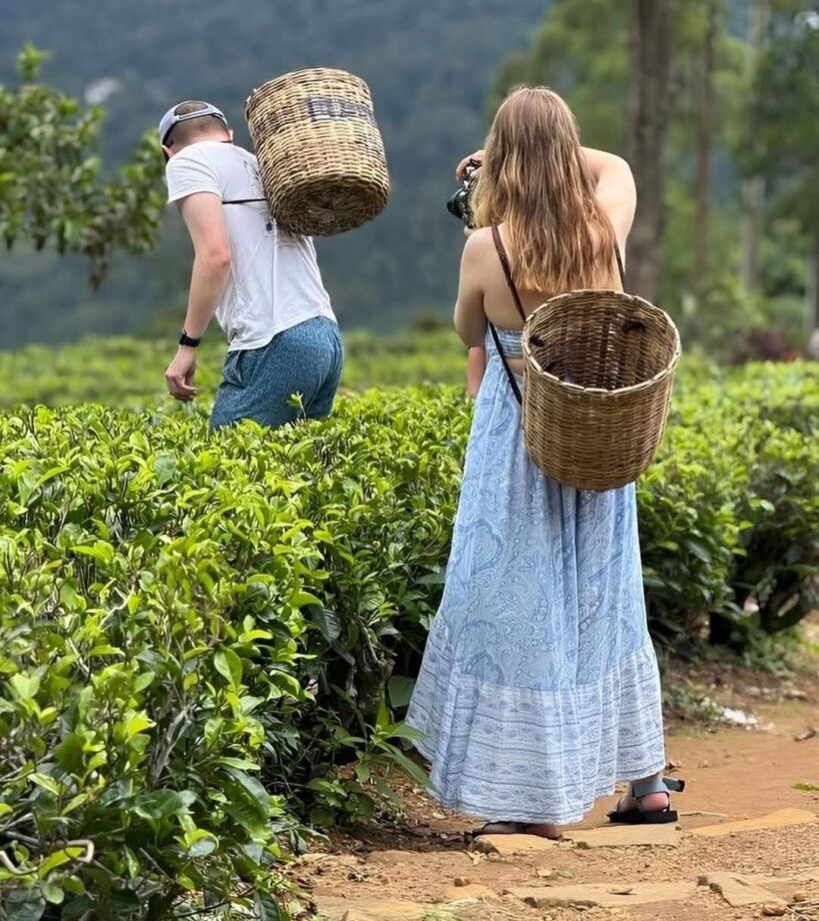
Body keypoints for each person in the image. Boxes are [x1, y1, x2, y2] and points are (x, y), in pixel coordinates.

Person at [406, 86, 682, 839]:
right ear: (566, 152)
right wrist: (550, 150)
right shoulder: (604, 228)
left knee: (513, 603)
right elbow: (615, 165)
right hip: (593, 435)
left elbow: (468, 331)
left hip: (519, 440)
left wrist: (499, 163)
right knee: (605, 599)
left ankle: (525, 802)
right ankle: (646, 785)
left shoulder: (485, 248)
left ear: (501, 159)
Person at [159, 100, 343, 430]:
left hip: (274, 339)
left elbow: (216, 256)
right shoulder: (266, 167)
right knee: (295, 458)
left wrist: (187, 346)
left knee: (226, 455)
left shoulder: (186, 162)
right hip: (325, 336)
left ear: (167, 151)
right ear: (228, 135)